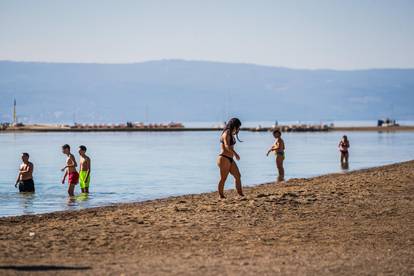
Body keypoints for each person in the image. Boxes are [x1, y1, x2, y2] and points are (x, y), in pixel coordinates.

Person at [217, 118, 244, 199]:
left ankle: (240, 194)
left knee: (238, 175)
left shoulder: (231, 133)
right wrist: (235, 154)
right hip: (224, 158)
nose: (238, 128)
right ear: (234, 125)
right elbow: (226, 146)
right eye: (238, 126)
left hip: (229, 158)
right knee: (223, 178)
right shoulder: (227, 133)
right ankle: (221, 196)